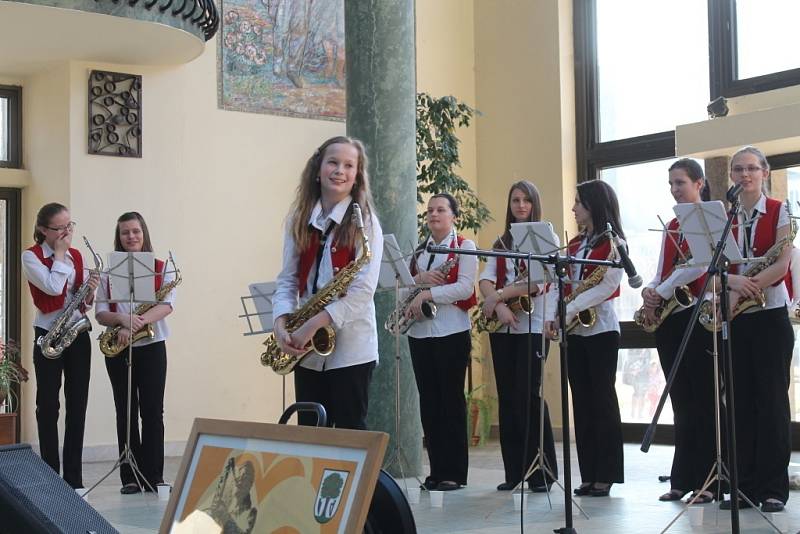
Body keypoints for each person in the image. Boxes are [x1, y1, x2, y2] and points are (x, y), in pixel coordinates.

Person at [272, 136, 383, 431]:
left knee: (349, 435)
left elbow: (363, 291)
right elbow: (287, 279)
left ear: (357, 175)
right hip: (306, 350)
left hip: (351, 346)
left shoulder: (366, 222)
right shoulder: (299, 218)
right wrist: (281, 322)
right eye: (333, 162)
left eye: (349, 165)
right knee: (311, 434)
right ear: (318, 169)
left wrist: (315, 324)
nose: (339, 170)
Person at [719, 146, 794, 514]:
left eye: (751, 168)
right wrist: (733, 284)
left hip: (769, 315)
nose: (744, 175)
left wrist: (747, 286)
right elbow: (712, 266)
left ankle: (773, 489)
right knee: (740, 405)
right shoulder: (724, 215)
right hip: (737, 315)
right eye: (737, 169)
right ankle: (743, 486)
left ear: (764, 172)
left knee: (771, 404)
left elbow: (782, 264)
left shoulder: (781, 210)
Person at [639, 159, 717, 504]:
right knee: (681, 401)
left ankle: (709, 480)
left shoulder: (708, 218)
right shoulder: (673, 223)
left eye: (680, 182)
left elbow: (700, 264)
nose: (674, 189)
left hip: (698, 316)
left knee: (703, 400)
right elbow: (662, 269)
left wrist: (664, 288)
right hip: (671, 318)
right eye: (671, 183)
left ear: (699, 183)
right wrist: (651, 290)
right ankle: (682, 477)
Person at [545, 180, 624, 497]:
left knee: (602, 402)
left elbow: (608, 286)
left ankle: (606, 474)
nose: (574, 208)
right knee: (582, 402)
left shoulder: (614, 242)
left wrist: (569, 308)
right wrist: (553, 314)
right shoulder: (575, 244)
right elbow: (557, 283)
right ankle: (589, 472)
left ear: (593, 205)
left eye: (578, 202)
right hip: (574, 330)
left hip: (601, 329)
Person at [478, 181, 558, 492]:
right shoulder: (501, 241)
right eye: (515, 200)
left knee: (529, 396)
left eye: (526, 200)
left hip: (533, 326)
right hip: (504, 326)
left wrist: (497, 295)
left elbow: (541, 280)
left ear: (534, 204)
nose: (520, 205)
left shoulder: (544, 237)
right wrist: (498, 307)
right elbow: (484, 279)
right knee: (509, 398)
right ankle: (515, 472)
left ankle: (542, 471)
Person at [95, 212, 177, 494]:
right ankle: (130, 476)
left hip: (152, 345)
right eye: (125, 232)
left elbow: (166, 306)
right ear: (118, 237)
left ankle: (154, 476)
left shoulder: (160, 267)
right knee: (125, 411)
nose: (131, 237)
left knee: (153, 411)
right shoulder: (109, 272)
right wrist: (122, 321)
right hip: (118, 347)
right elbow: (101, 313)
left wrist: (138, 322)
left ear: (144, 234)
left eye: (135, 231)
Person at [21, 202, 99, 489]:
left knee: (77, 405)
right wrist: (61, 254)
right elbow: (53, 289)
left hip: (76, 333)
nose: (68, 232)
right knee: (48, 406)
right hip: (48, 334)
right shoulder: (31, 257)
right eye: (61, 228)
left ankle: (75, 479)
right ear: (43, 230)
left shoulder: (77, 255)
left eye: (70, 225)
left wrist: (89, 293)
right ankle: (51, 475)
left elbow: (79, 300)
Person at [405, 193, 477, 492]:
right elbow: (401, 289)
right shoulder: (418, 252)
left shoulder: (465, 246)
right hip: (419, 333)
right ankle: (436, 471)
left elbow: (464, 288)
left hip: (451, 332)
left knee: (451, 403)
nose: (434, 214)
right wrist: (418, 280)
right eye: (430, 210)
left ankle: (454, 473)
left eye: (441, 210)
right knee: (430, 404)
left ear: (453, 216)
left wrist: (427, 293)